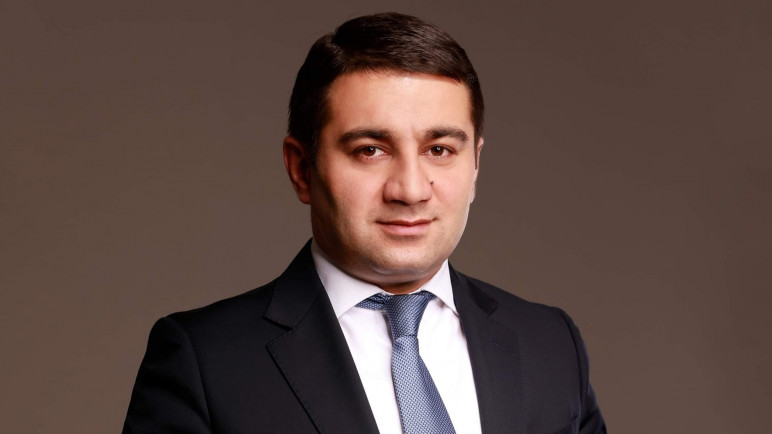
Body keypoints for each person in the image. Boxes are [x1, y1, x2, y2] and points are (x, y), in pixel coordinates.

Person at [123, 12, 606, 434]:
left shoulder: (551, 343)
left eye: (440, 150)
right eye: (370, 150)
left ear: (475, 165)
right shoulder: (206, 362)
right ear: (302, 169)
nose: (410, 190)